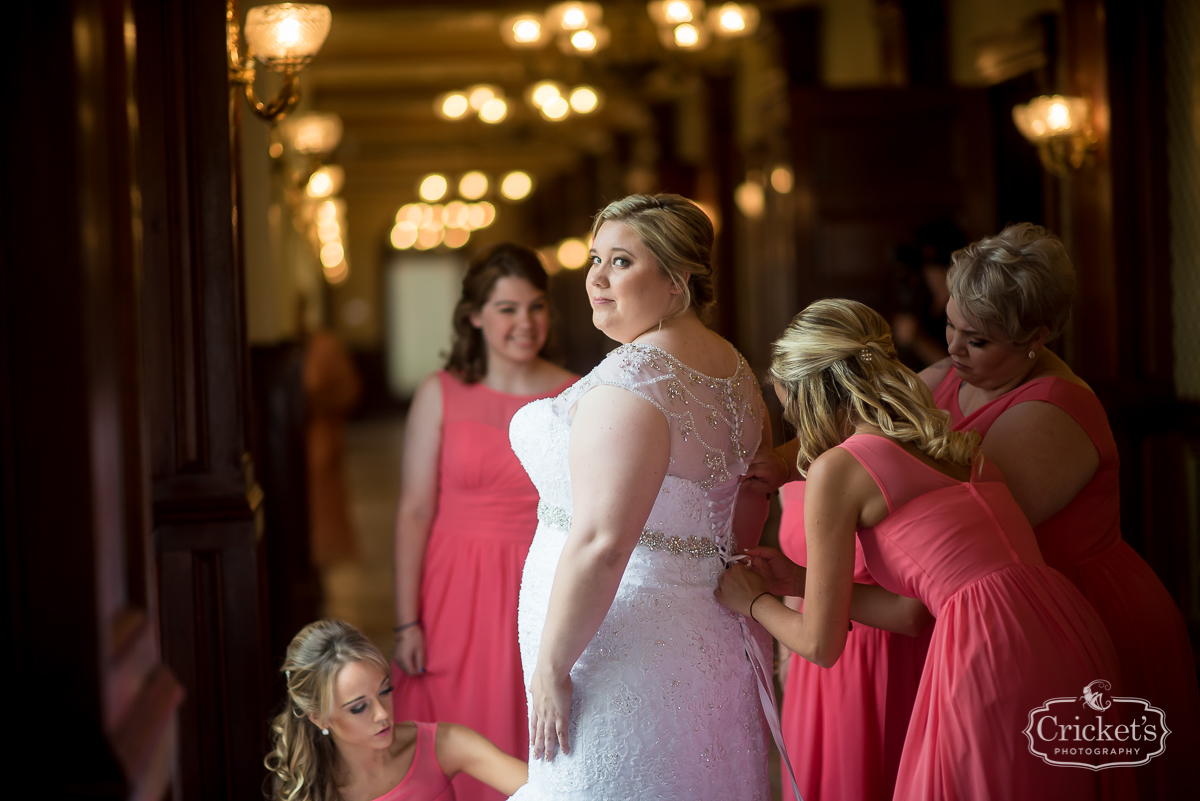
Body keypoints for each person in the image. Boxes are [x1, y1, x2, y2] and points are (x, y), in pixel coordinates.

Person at [717, 298, 1136, 800]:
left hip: (987, 642)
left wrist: (753, 601)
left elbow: (820, 646)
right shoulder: (950, 444)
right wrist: (796, 579)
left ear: (815, 398)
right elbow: (913, 615)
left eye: (792, 409)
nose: (798, 429)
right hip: (1063, 621)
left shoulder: (841, 469)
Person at [508, 194, 779, 800]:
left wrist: (551, 668)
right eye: (595, 258)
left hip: (617, 648)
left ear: (679, 279)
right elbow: (748, 509)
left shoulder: (634, 383)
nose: (596, 279)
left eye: (622, 262)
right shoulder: (734, 371)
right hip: (700, 637)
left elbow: (603, 544)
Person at [922, 223, 1199, 799]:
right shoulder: (955, 374)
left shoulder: (1054, 412)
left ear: (1036, 336)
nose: (951, 349)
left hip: (1079, 611)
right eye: (949, 324)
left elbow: (976, 530)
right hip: (1007, 608)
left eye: (976, 340)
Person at [391, 244, 576, 801]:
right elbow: (415, 510)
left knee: (540, 728)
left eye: (536, 306)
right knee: (461, 724)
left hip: (542, 578)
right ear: (474, 315)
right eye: (507, 309)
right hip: (457, 587)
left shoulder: (576, 393)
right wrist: (406, 622)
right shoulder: (439, 393)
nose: (526, 322)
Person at [771, 462, 930, 801]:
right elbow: (800, 562)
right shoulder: (792, 476)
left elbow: (913, 605)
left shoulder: (881, 464)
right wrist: (787, 654)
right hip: (809, 661)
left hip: (881, 656)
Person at [265, 619, 528, 801]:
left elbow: (549, 791)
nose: (382, 714)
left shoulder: (442, 744)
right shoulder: (311, 790)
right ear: (317, 717)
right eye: (359, 708)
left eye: (385, 691)